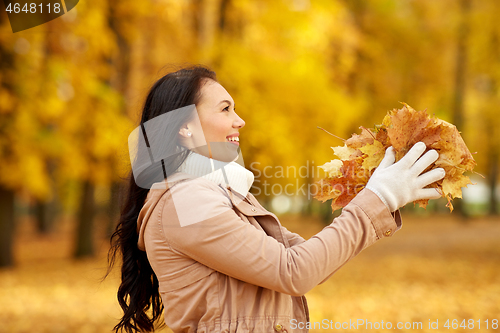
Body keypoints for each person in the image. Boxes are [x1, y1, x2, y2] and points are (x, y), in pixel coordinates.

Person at [106, 65, 445, 333]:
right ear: (185, 128)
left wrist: (379, 195)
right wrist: (379, 198)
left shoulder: (207, 193)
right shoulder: (185, 202)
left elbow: (305, 259)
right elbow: (293, 271)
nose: (240, 120)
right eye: (225, 109)